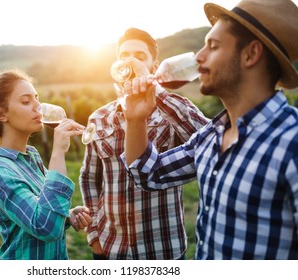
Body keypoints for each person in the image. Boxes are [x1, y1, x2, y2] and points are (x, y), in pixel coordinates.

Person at [122, 0, 298, 259]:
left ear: (251, 54)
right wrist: (135, 120)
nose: (198, 57)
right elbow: (149, 175)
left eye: (213, 46)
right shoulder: (210, 136)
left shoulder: (292, 143)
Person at [79, 28, 209, 260]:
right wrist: (95, 234)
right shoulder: (98, 118)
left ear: (153, 65)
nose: (130, 61)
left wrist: (154, 90)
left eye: (139, 56)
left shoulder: (171, 111)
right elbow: (89, 178)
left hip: (163, 250)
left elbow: (211, 140)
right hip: (111, 249)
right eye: (124, 55)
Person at [0, 69, 92, 260]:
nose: (38, 107)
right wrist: (58, 152)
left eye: (37, 98)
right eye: (26, 102)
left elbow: (39, 209)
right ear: (1, 114)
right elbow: (46, 227)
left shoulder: (31, 156)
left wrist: (66, 216)